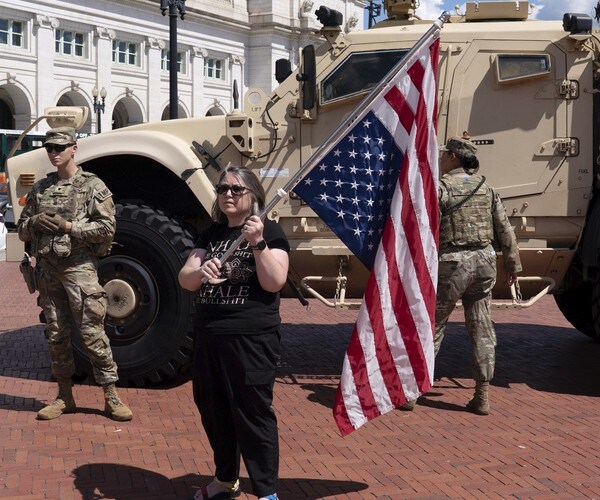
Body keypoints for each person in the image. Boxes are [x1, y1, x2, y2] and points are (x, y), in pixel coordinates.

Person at [179, 165, 290, 500]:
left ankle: (266, 491)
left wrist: (257, 243)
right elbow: (185, 279)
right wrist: (200, 270)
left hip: (250, 339)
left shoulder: (270, 232)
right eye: (222, 188)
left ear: (253, 195)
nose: (228, 194)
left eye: (236, 189)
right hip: (209, 336)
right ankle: (226, 479)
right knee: (214, 411)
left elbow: (275, 282)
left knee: (252, 414)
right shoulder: (211, 234)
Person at [17, 127, 132, 422]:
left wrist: (68, 227)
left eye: (59, 147)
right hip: (47, 270)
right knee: (56, 334)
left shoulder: (91, 185)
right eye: (49, 148)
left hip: (79, 269)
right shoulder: (41, 188)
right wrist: (35, 222)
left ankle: (111, 395)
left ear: (74, 148)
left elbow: (107, 228)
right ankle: (64, 396)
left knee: (93, 333)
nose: (54, 153)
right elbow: (22, 229)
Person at [434, 135, 522, 415]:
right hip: (485, 263)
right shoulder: (487, 188)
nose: (441, 157)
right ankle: (482, 395)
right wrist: (512, 265)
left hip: (452, 264)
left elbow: (425, 225)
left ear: (453, 157)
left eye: (445, 153)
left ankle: (412, 391)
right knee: (482, 328)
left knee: (433, 326)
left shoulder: (441, 188)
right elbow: (504, 229)